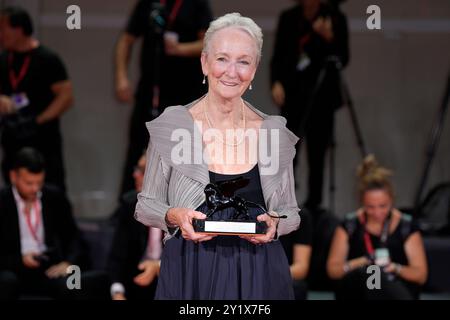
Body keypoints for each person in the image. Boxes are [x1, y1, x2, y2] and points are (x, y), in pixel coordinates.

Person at [135, 13, 301, 299]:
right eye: (222, 58)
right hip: (191, 269)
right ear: (204, 62)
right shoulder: (174, 124)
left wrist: (276, 224)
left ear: (255, 68)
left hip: (259, 272)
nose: (232, 71)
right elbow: (146, 205)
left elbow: (291, 212)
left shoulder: (274, 131)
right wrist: (175, 215)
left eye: (243, 61)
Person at [115, 0, 213, 196]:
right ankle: (127, 207)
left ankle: (185, 202)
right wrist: (121, 77)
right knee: (138, 146)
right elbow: (126, 40)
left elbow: (208, 43)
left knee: (183, 148)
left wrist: (179, 49)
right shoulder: (149, 3)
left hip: (185, 91)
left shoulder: (197, 4)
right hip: (150, 89)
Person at [270, 0, 349, 211]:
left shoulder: (334, 17)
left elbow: (343, 58)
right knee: (288, 150)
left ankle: (314, 203)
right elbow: (278, 54)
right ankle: (286, 199)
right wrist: (275, 82)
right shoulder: (289, 17)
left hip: (322, 96)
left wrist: (328, 36)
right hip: (293, 94)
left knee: (317, 152)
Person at [326, 155, 428, 300]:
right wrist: (362, 262)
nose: (377, 213)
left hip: (395, 289)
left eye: (383, 206)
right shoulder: (349, 225)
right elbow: (333, 271)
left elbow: (420, 275)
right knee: (370, 274)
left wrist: (394, 268)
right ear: (361, 203)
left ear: (391, 200)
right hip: (358, 289)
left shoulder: (406, 226)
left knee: (379, 279)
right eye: (370, 207)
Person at [0, 6, 73, 191]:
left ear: (19, 29)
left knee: (50, 188)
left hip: (42, 137)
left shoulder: (47, 59)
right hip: (12, 136)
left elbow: (66, 97)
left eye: (3, 28)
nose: (1, 34)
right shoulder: (3, 59)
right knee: (13, 187)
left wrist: (39, 120)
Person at [0, 148, 89, 299]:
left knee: (75, 279)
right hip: (12, 267)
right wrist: (20, 259)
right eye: (29, 183)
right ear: (13, 176)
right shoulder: (3, 202)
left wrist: (68, 262)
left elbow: (74, 236)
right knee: (6, 282)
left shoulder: (54, 197)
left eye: (39, 183)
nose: (35, 189)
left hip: (49, 265)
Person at [108, 153, 163, 300]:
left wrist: (158, 265)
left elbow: (187, 259)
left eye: (142, 170)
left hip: (169, 278)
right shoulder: (129, 204)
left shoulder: (179, 207)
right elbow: (117, 256)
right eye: (137, 169)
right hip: (136, 278)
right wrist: (117, 292)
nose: (135, 174)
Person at [279, 209, 313, 300]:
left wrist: (271, 276)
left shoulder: (299, 216)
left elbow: (301, 268)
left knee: (296, 287)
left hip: (280, 277)